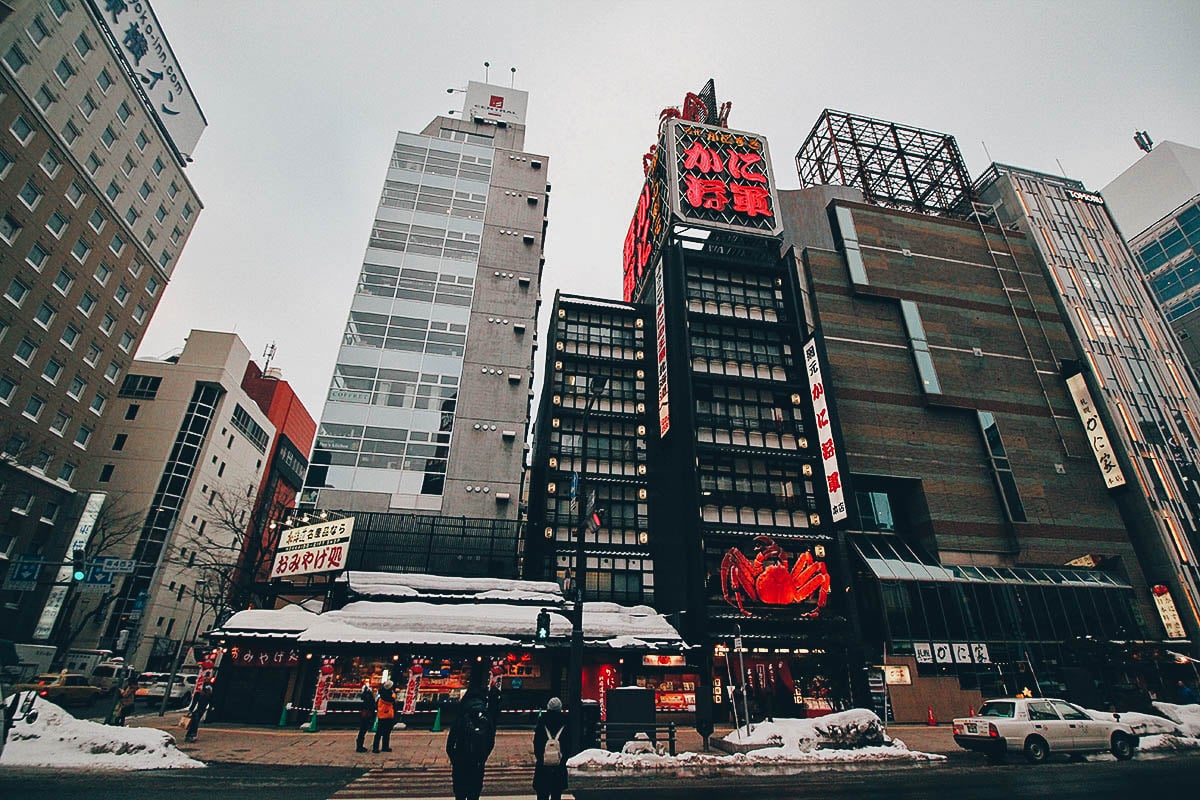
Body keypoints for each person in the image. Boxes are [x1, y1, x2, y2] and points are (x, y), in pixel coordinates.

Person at [446, 693, 496, 800]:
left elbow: (450, 744)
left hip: (460, 763)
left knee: (460, 795)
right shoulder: (485, 717)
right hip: (477, 763)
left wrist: (455, 759)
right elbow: (490, 741)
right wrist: (482, 757)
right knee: (474, 795)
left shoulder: (461, 717)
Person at [532, 697, 568, 800]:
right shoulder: (565, 722)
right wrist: (562, 759)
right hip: (559, 767)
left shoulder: (542, 722)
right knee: (556, 795)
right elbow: (568, 745)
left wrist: (541, 758)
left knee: (542, 795)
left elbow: (537, 744)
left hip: (543, 768)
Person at [372, 680, 396, 753]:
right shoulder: (389, 696)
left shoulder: (381, 694)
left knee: (381, 732)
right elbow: (392, 700)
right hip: (387, 714)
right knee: (385, 732)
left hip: (382, 715)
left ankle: (377, 747)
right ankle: (384, 746)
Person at [356, 680, 376, 753]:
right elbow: (371, 705)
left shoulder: (364, 696)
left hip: (364, 714)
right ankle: (359, 746)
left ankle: (359, 745)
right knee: (363, 730)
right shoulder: (368, 697)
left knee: (362, 730)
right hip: (367, 714)